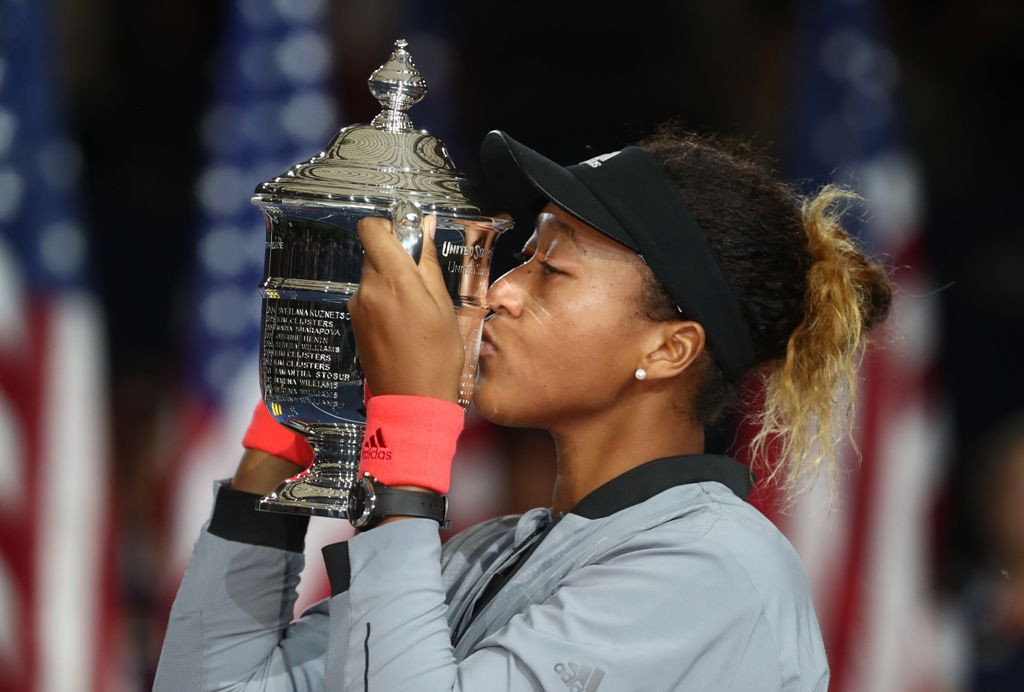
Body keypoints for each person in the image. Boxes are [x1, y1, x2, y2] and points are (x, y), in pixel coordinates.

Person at [156, 126, 892, 691]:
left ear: (670, 350)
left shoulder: (715, 568)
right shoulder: (485, 555)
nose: (503, 291)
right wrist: (298, 424)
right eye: (523, 258)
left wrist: (409, 432)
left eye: (553, 269)